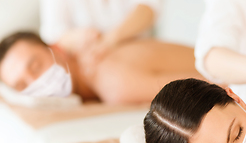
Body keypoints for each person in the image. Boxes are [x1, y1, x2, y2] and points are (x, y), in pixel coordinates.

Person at [0, 32, 202, 104]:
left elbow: (215, 88)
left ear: (56, 49)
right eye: (22, 85)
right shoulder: (93, 88)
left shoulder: (111, 81)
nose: (37, 82)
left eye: (36, 66)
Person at [40, 0, 160, 67]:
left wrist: (109, 40)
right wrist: (81, 37)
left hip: (139, 57)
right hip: (91, 65)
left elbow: (149, 5)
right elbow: (53, 35)